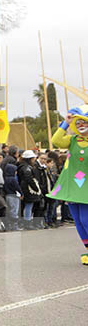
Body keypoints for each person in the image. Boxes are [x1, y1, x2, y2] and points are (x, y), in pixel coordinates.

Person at [46, 106, 88, 264]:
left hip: (86, 187)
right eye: (78, 123)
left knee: (85, 219)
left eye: (84, 122)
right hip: (71, 185)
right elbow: (56, 141)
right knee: (77, 220)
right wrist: (65, 123)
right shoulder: (72, 140)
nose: (80, 125)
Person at [18, 150, 41, 229]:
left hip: (26, 188)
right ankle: (27, 222)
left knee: (28, 205)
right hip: (28, 189)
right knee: (28, 205)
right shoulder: (26, 168)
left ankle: (27, 221)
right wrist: (35, 187)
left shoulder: (23, 166)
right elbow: (29, 178)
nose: (34, 160)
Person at [2, 145, 22, 231]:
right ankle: (14, 225)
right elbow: (17, 186)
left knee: (9, 209)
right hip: (13, 194)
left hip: (7, 192)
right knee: (14, 210)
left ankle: (10, 224)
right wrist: (21, 192)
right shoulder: (12, 160)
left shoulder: (6, 159)